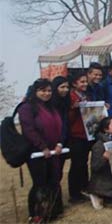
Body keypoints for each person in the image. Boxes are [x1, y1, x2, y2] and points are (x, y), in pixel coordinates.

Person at [19, 79, 65, 222]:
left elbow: (61, 127)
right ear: (35, 91)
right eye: (43, 91)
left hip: (54, 152)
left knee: (54, 180)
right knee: (40, 183)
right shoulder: (27, 108)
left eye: (49, 91)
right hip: (37, 153)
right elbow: (29, 129)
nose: (46, 94)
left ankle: (53, 211)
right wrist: (42, 146)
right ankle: (36, 214)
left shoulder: (51, 107)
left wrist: (59, 144)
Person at [66, 73, 92, 203]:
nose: (85, 84)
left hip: (86, 134)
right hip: (75, 135)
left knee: (83, 163)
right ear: (74, 84)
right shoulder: (71, 97)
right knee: (76, 164)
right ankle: (74, 193)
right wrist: (73, 108)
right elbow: (68, 118)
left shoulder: (85, 96)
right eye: (82, 82)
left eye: (86, 82)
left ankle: (84, 187)